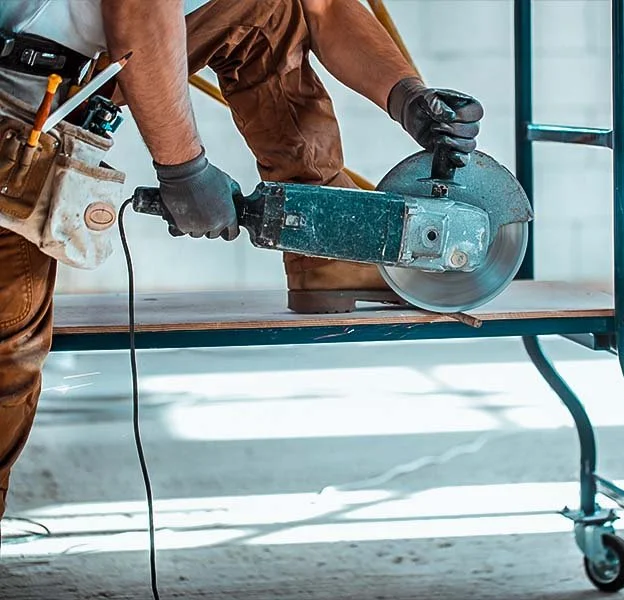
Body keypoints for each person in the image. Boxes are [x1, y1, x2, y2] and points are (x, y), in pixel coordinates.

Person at [0, 0, 483, 522]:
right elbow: (137, 10)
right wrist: (184, 171)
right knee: (9, 347)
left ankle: (321, 251)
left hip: (68, 77)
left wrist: (409, 97)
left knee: (267, 12)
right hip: (14, 97)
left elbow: (322, 8)